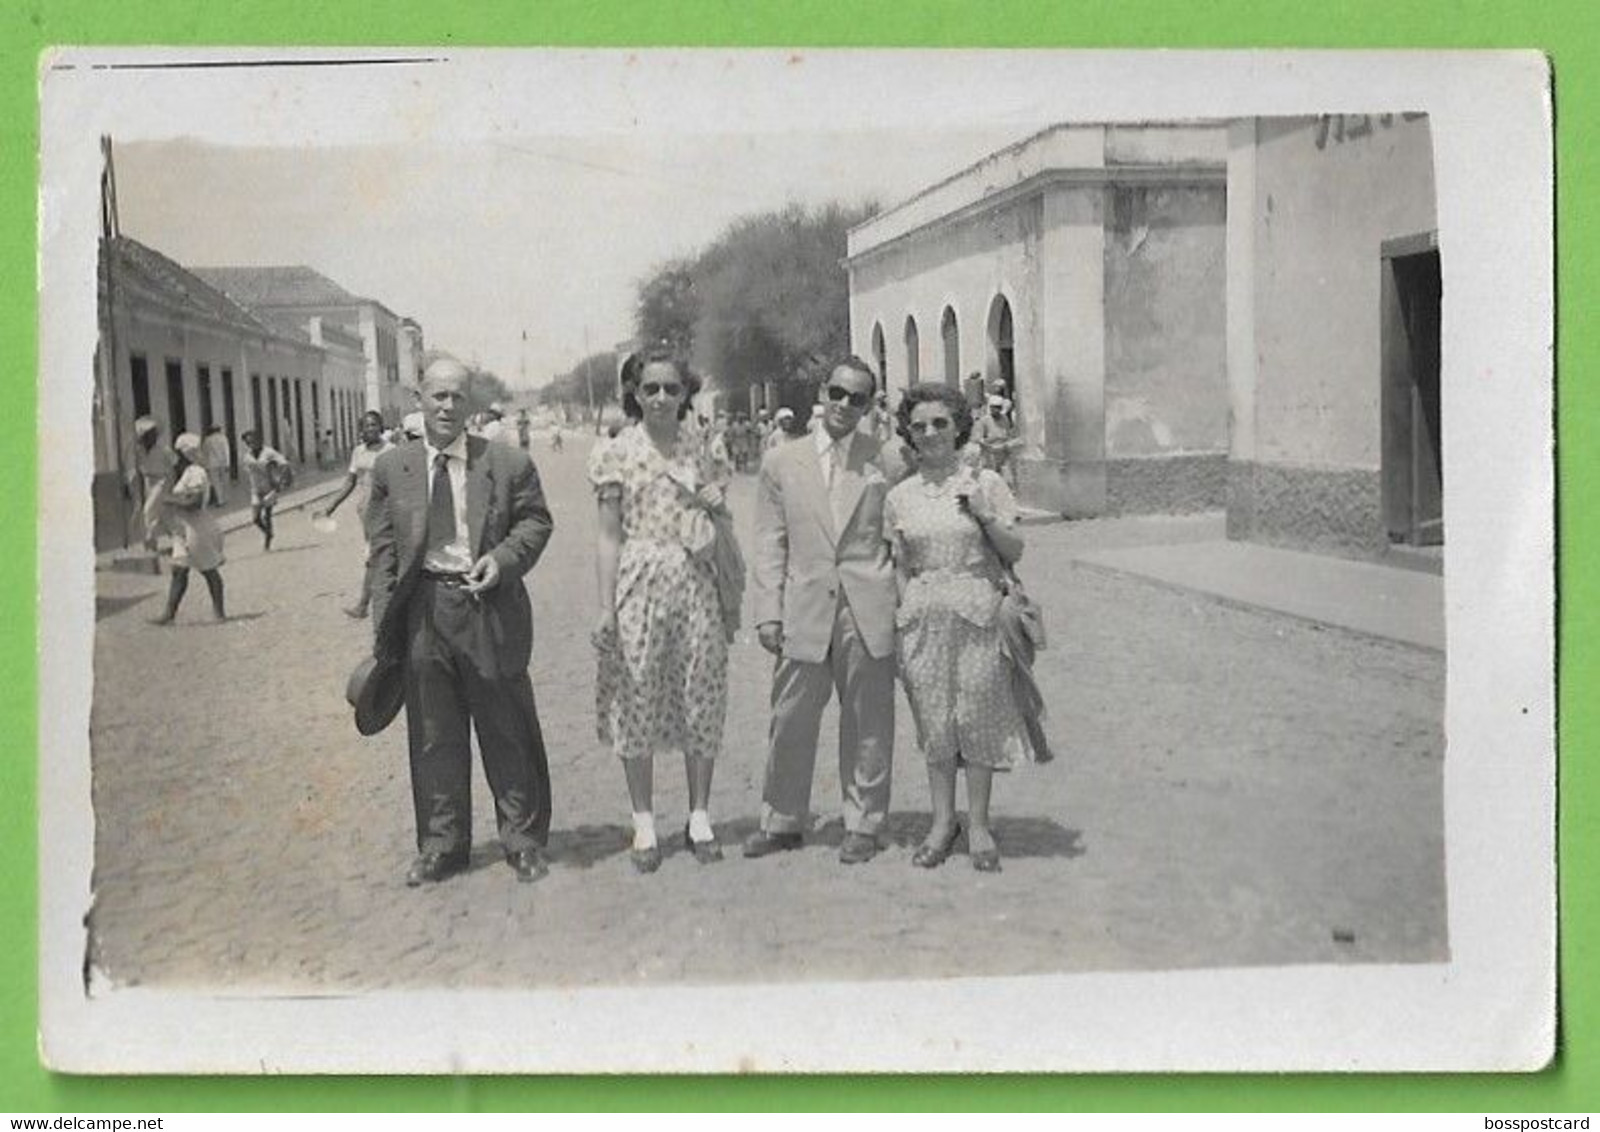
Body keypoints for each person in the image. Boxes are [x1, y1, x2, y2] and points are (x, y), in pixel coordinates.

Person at [367, 357, 556, 887]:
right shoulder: (392, 469)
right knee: (433, 733)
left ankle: (522, 840)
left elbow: (536, 522)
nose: (447, 407)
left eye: (457, 397)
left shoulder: (506, 463)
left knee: (506, 727)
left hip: (487, 608)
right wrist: (385, 633)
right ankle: (442, 846)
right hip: (423, 611)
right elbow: (382, 554)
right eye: (437, 396)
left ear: (470, 403)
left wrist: (503, 560)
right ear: (418, 398)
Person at [745, 357, 903, 865]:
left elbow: (903, 535)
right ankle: (783, 818)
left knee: (868, 718)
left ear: (868, 406)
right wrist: (768, 610)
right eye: (837, 392)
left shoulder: (885, 460)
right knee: (790, 716)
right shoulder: (781, 462)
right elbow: (770, 541)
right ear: (822, 391)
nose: (844, 405)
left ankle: (863, 822)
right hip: (804, 604)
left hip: (867, 603)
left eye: (857, 399)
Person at [589, 348, 736, 873]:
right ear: (633, 393)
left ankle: (699, 814)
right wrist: (605, 606)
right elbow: (608, 537)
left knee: (702, 690)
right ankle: (644, 820)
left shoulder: (703, 447)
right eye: (649, 388)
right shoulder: (617, 452)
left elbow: (722, 510)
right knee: (637, 694)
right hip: (639, 579)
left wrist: (715, 504)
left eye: (671, 389)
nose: (660, 399)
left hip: (697, 581)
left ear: (685, 392)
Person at [885, 383, 1038, 873]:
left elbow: (1013, 551)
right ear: (908, 434)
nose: (930, 434)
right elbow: (900, 562)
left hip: (978, 614)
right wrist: (906, 607)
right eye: (919, 425)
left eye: (940, 423)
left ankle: (978, 824)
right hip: (923, 621)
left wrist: (984, 513)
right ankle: (940, 822)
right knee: (935, 722)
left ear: (958, 427)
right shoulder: (900, 496)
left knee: (976, 716)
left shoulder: (986, 482)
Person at [315, 411, 393, 619]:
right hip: (366, 511)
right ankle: (369, 603)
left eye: (374, 425)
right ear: (360, 429)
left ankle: (364, 604)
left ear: (381, 427)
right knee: (375, 555)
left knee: (374, 555)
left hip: (386, 510)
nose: (371, 429)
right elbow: (350, 482)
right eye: (366, 425)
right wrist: (331, 506)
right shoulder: (358, 452)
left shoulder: (391, 451)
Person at [151, 433, 226, 624]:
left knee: (209, 570)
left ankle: (219, 613)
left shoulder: (196, 472)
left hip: (197, 528)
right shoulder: (189, 472)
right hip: (183, 529)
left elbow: (194, 502)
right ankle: (169, 614)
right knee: (179, 570)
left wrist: (167, 499)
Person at [127, 416, 176, 551]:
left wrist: (174, 485)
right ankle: (179, 538)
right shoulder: (139, 451)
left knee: (149, 511)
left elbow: (174, 465)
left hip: (162, 481)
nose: (151, 437)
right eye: (147, 435)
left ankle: (150, 543)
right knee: (162, 514)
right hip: (148, 482)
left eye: (153, 434)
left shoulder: (164, 449)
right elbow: (135, 467)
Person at [239, 428, 289, 551]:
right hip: (256, 489)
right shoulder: (247, 456)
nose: (251, 444)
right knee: (255, 519)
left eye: (253, 441)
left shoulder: (269, 452)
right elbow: (248, 472)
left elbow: (284, 464)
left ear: (259, 440)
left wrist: (280, 480)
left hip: (269, 488)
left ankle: (267, 543)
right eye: (248, 442)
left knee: (267, 515)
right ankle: (268, 533)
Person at [973, 394, 1022, 489]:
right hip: (990, 454)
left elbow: (1007, 434)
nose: (995, 410)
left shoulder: (1005, 419)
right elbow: (979, 438)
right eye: (993, 407)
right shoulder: (984, 420)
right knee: (990, 480)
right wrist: (988, 446)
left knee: (1007, 480)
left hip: (1003, 452)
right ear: (990, 407)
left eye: (998, 407)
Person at [201, 426, 232, 507]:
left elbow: (204, 452)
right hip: (222, 462)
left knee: (216, 482)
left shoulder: (207, 439)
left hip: (212, 463)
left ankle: (220, 500)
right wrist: (228, 463)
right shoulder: (223, 438)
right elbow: (226, 451)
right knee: (224, 481)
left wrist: (204, 464)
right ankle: (225, 498)